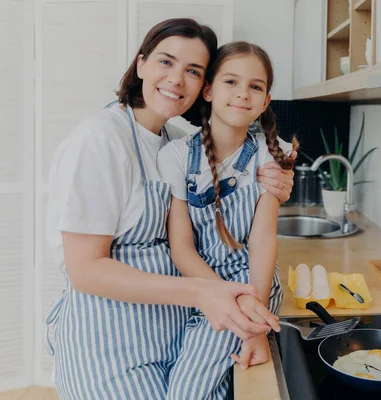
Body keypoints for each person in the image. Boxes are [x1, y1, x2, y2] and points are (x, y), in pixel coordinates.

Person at [44, 19, 294, 400]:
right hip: (110, 339)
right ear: (141, 64)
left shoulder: (176, 142)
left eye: (192, 70)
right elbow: (85, 269)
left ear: (202, 86)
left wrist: (278, 184)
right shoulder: (100, 140)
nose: (177, 79)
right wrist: (208, 293)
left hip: (172, 329)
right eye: (166, 62)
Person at [157, 41, 298, 399]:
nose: (243, 94)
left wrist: (255, 324)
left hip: (254, 286)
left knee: (187, 392)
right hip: (200, 287)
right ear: (208, 91)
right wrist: (222, 297)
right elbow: (182, 249)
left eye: (255, 86)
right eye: (230, 82)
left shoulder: (270, 152)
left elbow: (263, 240)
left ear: (266, 101)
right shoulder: (175, 156)